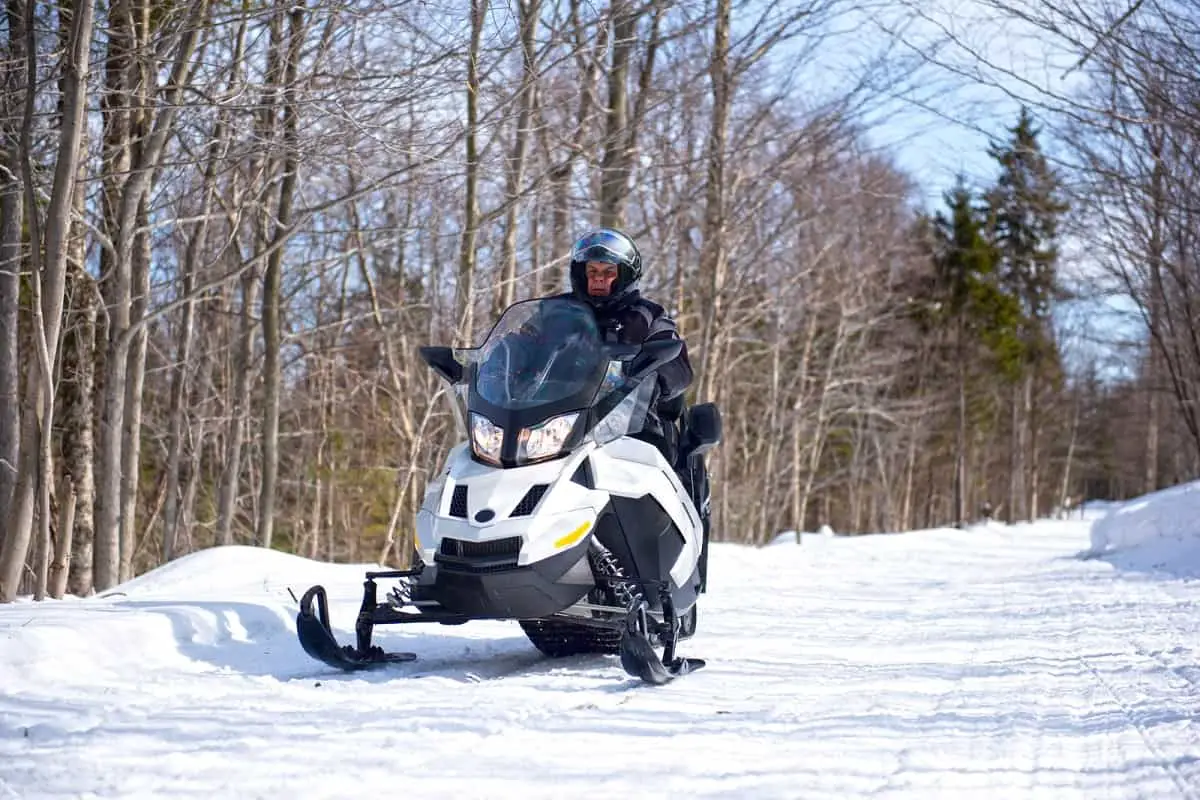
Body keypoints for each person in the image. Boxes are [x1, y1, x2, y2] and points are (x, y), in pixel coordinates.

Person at [558, 228, 693, 463]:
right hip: (554, 422)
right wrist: (495, 366)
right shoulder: (555, 313)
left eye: (608, 271)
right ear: (581, 274)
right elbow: (520, 344)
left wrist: (650, 373)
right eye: (592, 271)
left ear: (624, 274)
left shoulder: (649, 316)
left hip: (630, 426)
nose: (599, 278)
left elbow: (677, 365)